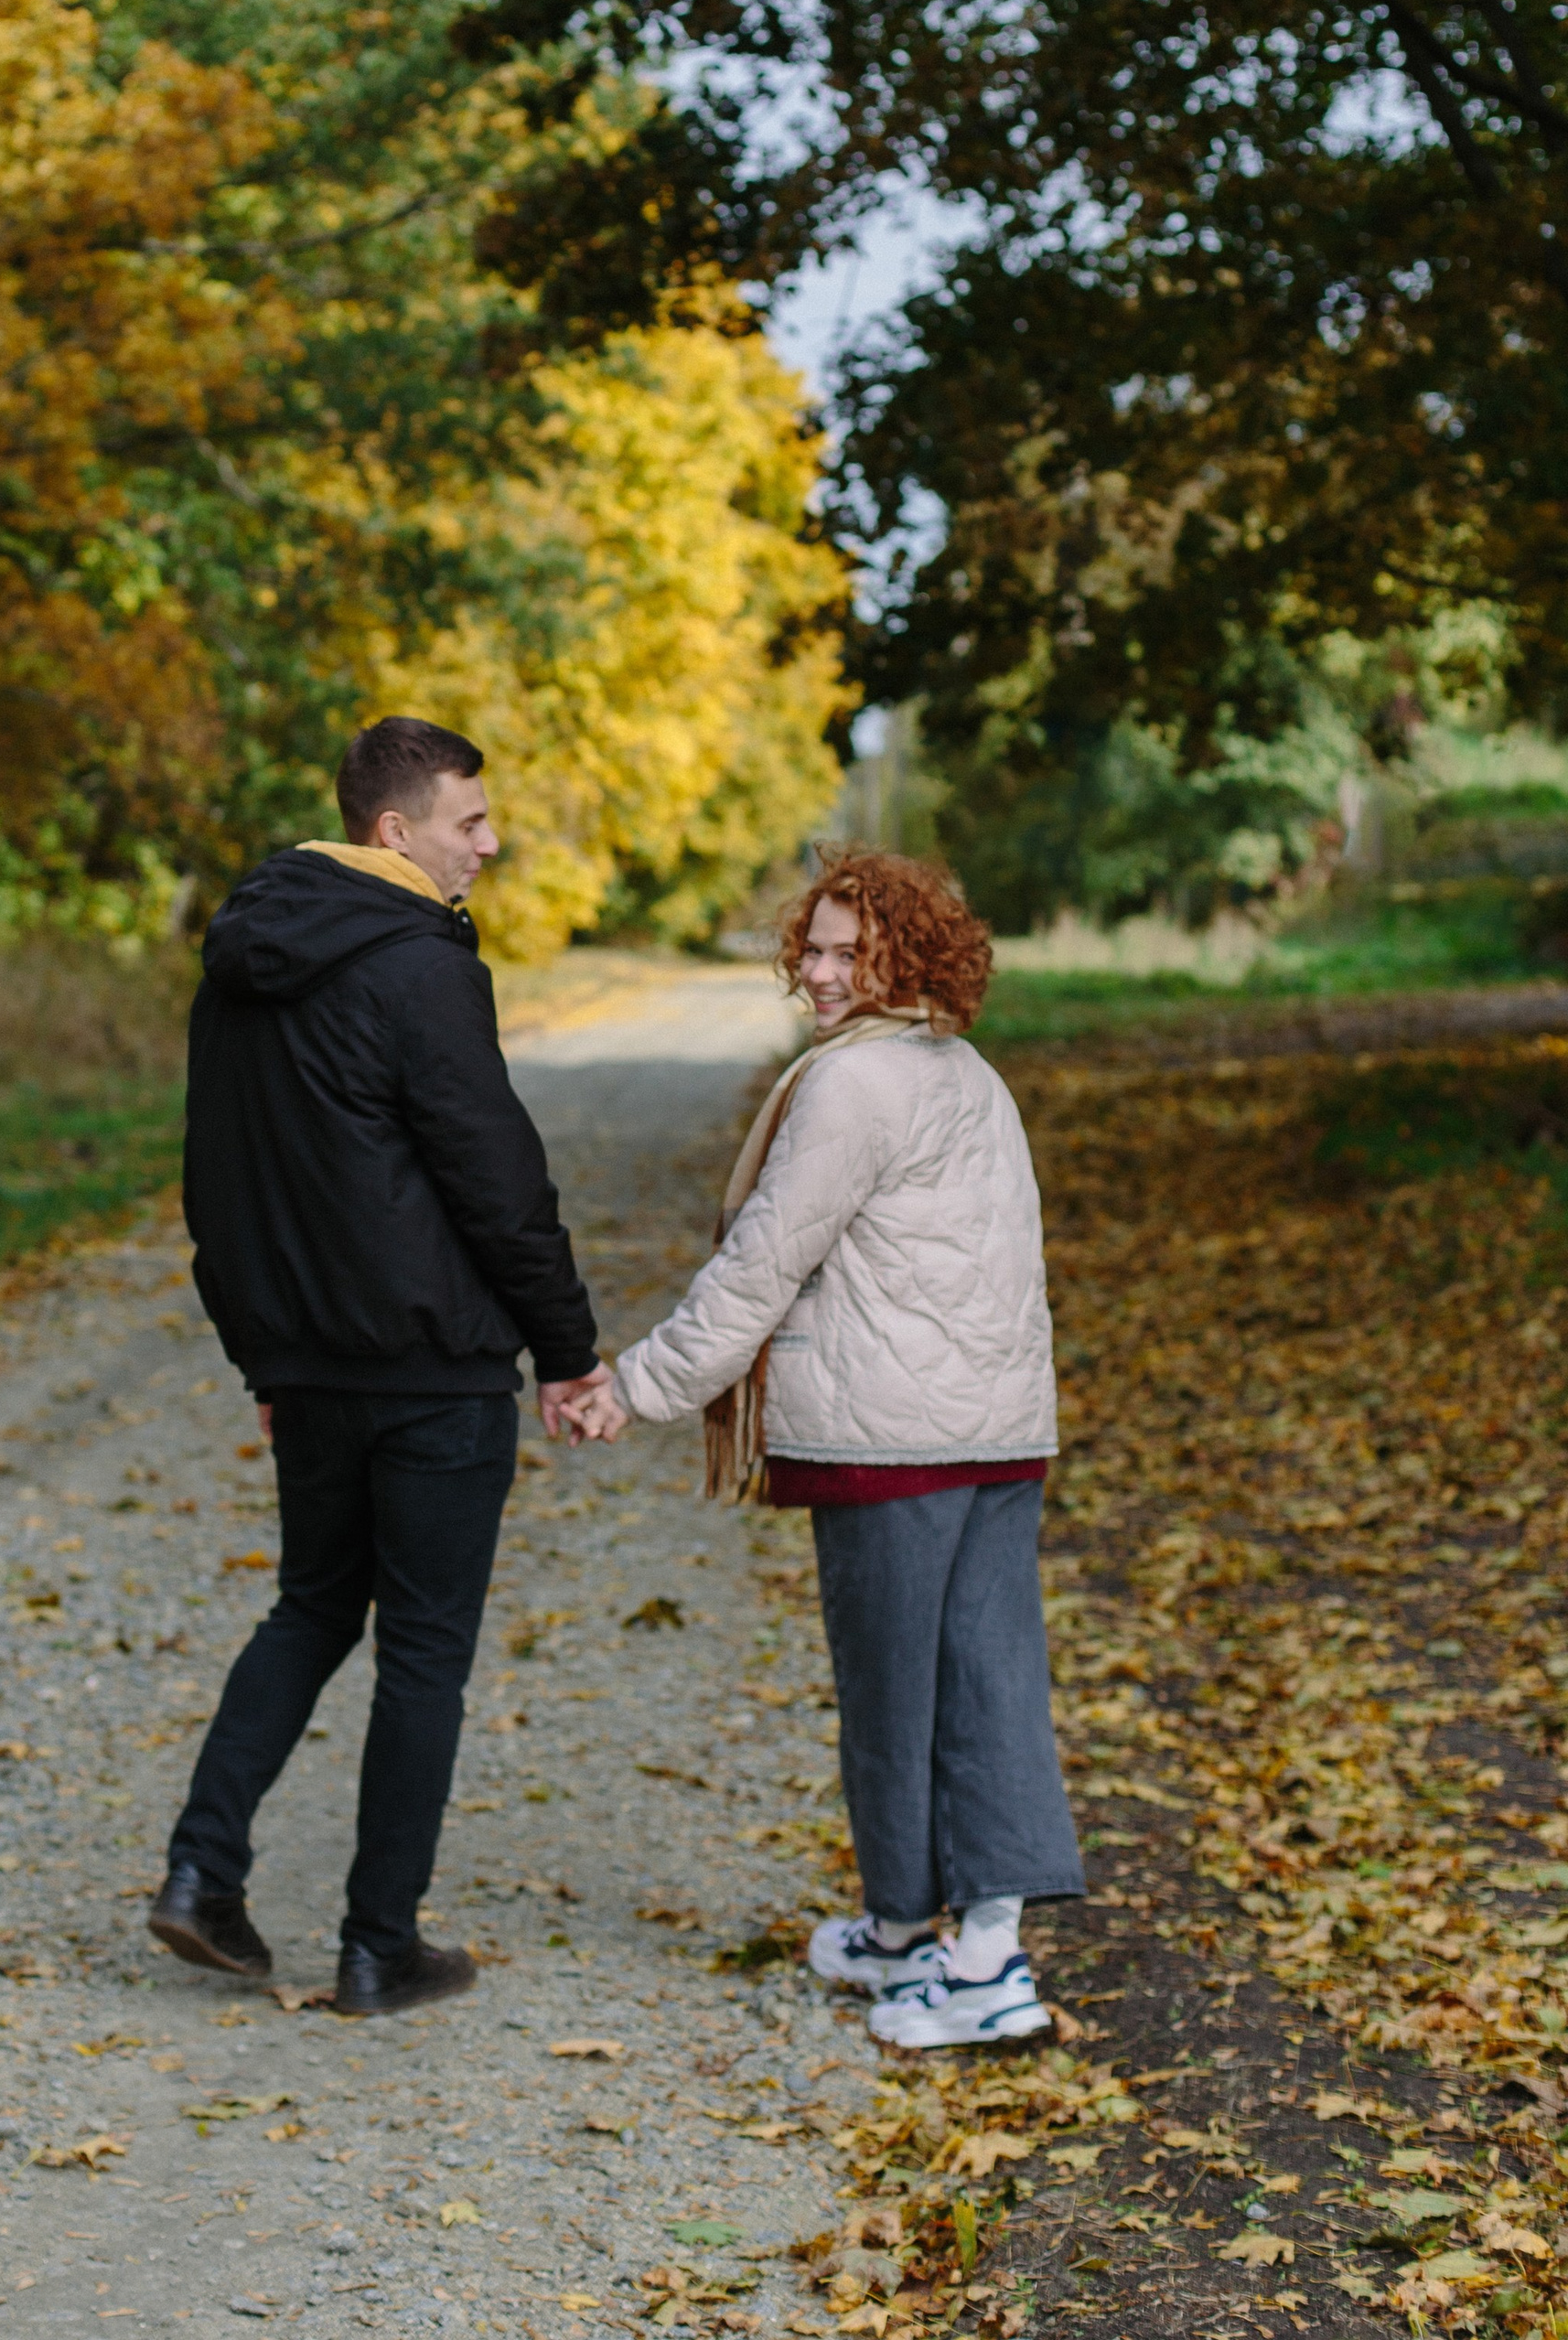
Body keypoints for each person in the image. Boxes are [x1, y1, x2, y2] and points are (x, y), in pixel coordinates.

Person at [557, 848, 1083, 2049]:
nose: (823, 969)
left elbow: (759, 1268)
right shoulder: (968, 1073)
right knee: (989, 1683)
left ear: (910, 956)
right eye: (815, 946)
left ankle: (951, 1960)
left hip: (896, 1442)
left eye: (853, 949)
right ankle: (950, 1944)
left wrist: (632, 1385)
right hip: (998, 1433)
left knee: (898, 1700)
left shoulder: (853, 1089)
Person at [150, 715, 604, 2017]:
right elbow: (496, 1174)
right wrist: (567, 1349)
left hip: (311, 1369)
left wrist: (263, 1348)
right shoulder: (420, 961)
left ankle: (201, 1873)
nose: (492, 840)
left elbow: (212, 1177)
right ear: (394, 831)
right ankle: (377, 1943)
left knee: (309, 1606)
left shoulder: (241, 957)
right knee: (422, 1653)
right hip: (432, 1367)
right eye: (472, 820)